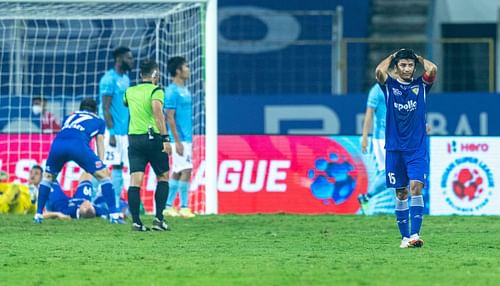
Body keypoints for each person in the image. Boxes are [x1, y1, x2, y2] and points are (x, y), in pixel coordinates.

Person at [375, 48, 437, 248]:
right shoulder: (389, 86)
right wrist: (393, 55)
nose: (408, 68)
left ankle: (415, 234)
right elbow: (378, 71)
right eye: (403, 65)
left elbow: (433, 69)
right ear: (396, 68)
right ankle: (404, 238)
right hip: (394, 148)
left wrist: (418, 57)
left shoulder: (421, 86)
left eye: (410, 65)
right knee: (401, 193)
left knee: (416, 187)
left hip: (416, 148)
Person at [33, 98, 124, 224]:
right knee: (104, 177)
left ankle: (38, 215)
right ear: (95, 111)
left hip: (58, 144)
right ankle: (114, 215)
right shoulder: (98, 121)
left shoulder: (68, 117)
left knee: (48, 178)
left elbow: (66, 131)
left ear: (81, 108)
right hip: (78, 145)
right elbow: (100, 142)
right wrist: (100, 164)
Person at [124, 59, 172, 231]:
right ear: (155, 75)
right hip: (153, 138)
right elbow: (157, 113)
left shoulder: (129, 91)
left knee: (135, 180)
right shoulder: (156, 91)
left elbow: (126, 103)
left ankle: (136, 222)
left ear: (139, 75)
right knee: (163, 177)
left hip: (134, 139)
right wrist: (166, 139)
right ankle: (159, 219)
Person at [99, 46, 134, 207]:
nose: (132, 61)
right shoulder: (109, 79)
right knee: (106, 166)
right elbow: (105, 107)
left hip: (123, 132)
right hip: (111, 131)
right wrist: (111, 132)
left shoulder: (126, 79)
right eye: (129, 58)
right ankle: (94, 201)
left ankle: (115, 203)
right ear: (119, 59)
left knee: (119, 165)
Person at [163, 56, 195, 218]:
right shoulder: (172, 91)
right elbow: (169, 117)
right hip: (179, 138)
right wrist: (176, 140)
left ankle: (168, 206)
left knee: (177, 171)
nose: (189, 69)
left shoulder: (185, 90)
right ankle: (184, 207)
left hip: (186, 138)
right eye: (186, 67)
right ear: (178, 71)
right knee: (187, 169)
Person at [358, 84, 391, 214]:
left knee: (396, 173)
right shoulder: (377, 90)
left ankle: (366, 197)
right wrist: (365, 136)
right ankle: (367, 197)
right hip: (382, 138)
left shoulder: (401, 87)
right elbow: (369, 113)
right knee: (389, 174)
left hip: (399, 138)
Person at [42, 173, 121, 221]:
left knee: (49, 178)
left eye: (86, 206)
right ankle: (91, 164)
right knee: (86, 175)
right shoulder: (95, 210)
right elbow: (109, 215)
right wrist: (119, 215)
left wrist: (57, 214)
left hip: (60, 202)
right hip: (80, 199)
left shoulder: (68, 213)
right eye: (90, 205)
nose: (88, 203)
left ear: (82, 209)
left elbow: (44, 215)